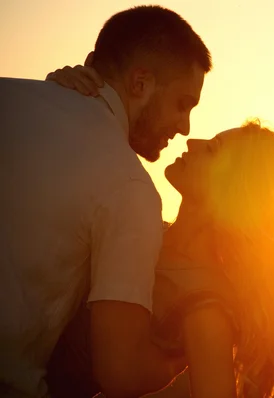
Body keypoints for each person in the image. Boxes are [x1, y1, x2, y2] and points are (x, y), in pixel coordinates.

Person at [46, 66, 274, 398]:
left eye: (214, 148)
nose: (194, 140)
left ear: (235, 191)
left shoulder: (205, 306)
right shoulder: (143, 228)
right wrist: (62, 97)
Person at [0, 5, 212, 397]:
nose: (185, 128)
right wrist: (192, 351)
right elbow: (121, 373)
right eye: (183, 104)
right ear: (140, 84)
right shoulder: (130, 187)